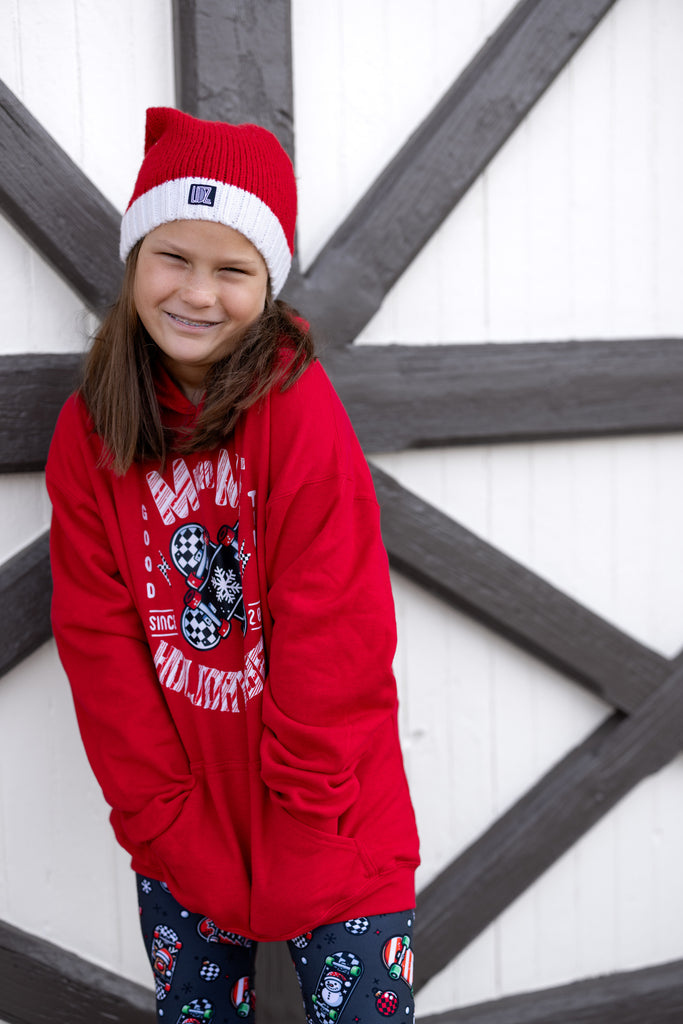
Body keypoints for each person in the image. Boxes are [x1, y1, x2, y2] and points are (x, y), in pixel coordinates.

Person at [46, 106, 420, 1023]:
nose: (197, 293)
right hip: (184, 821)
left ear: (268, 285)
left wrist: (306, 816)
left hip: (333, 816)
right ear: (135, 259)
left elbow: (335, 624)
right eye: (173, 257)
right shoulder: (90, 431)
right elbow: (98, 637)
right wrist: (160, 813)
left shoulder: (294, 407)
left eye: (232, 270)